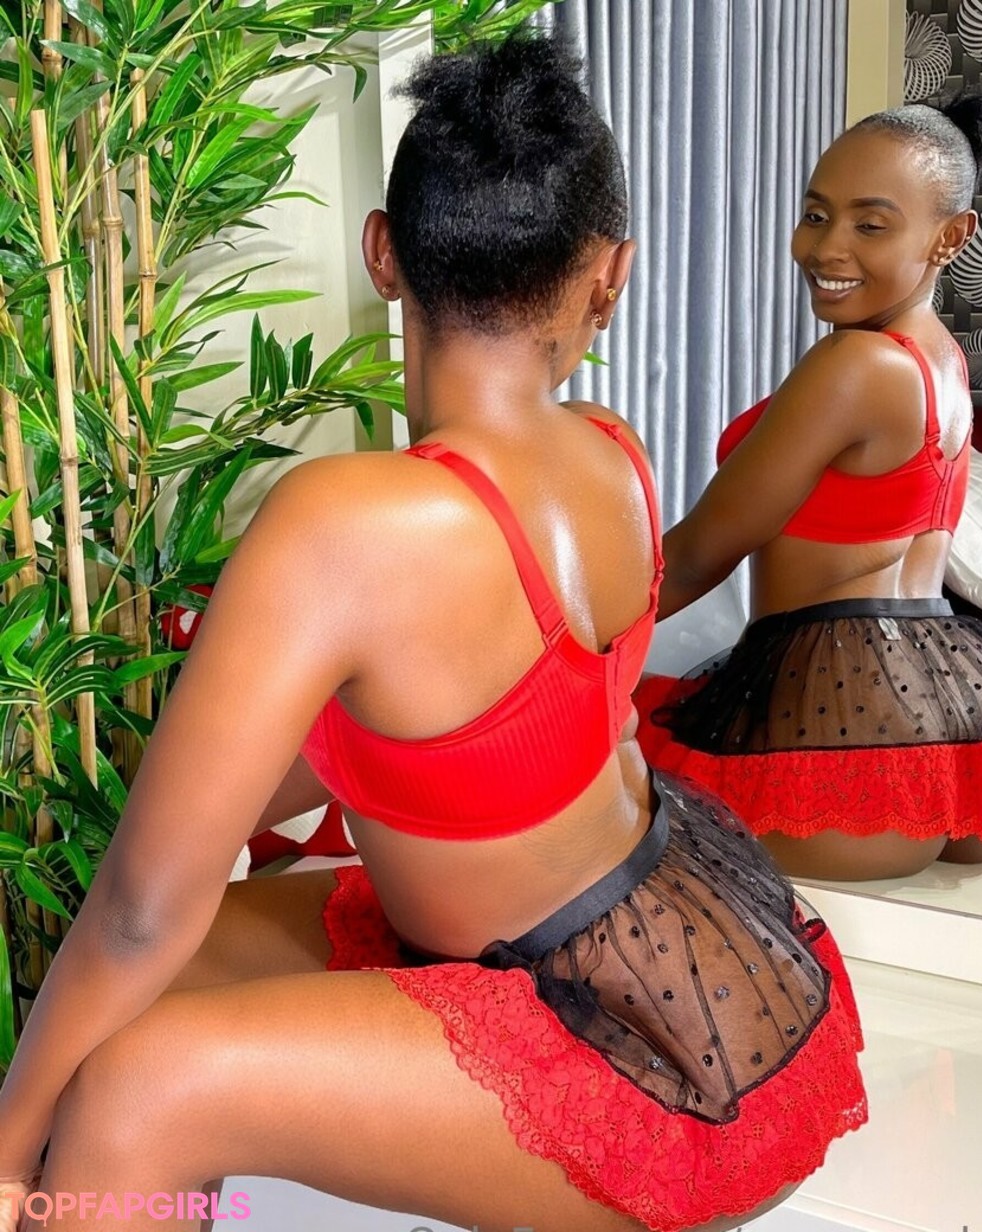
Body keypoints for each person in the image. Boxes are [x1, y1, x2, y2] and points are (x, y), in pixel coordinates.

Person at [0, 37, 866, 1232]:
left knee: (133, 1086)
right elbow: (426, 745)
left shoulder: (347, 525)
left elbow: (140, 908)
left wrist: (6, 1151)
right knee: (151, 988)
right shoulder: (611, 454)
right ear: (610, 276)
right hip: (697, 963)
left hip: (629, 1059)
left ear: (381, 252)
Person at [635, 88, 982, 884]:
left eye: (870, 225)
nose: (826, 248)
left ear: (951, 237)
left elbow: (695, 557)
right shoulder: (940, 359)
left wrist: (553, 652)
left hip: (832, 739)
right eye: (816, 214)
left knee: (591, 787)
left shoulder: (853, 363)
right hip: (965, 733)